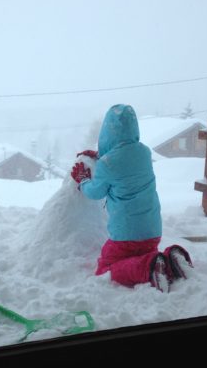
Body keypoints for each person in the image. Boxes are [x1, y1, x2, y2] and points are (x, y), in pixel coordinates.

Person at [71, 104, 192, 291]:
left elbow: (95, 192)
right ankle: (170, 261)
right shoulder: (144, 153)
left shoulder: (107, 163)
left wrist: (83, 180)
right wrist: (101, 156)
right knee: (141, 256)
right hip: (152, 232)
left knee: (105, 269)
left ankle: (149, 267)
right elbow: (125, 160)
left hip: (125, 235)